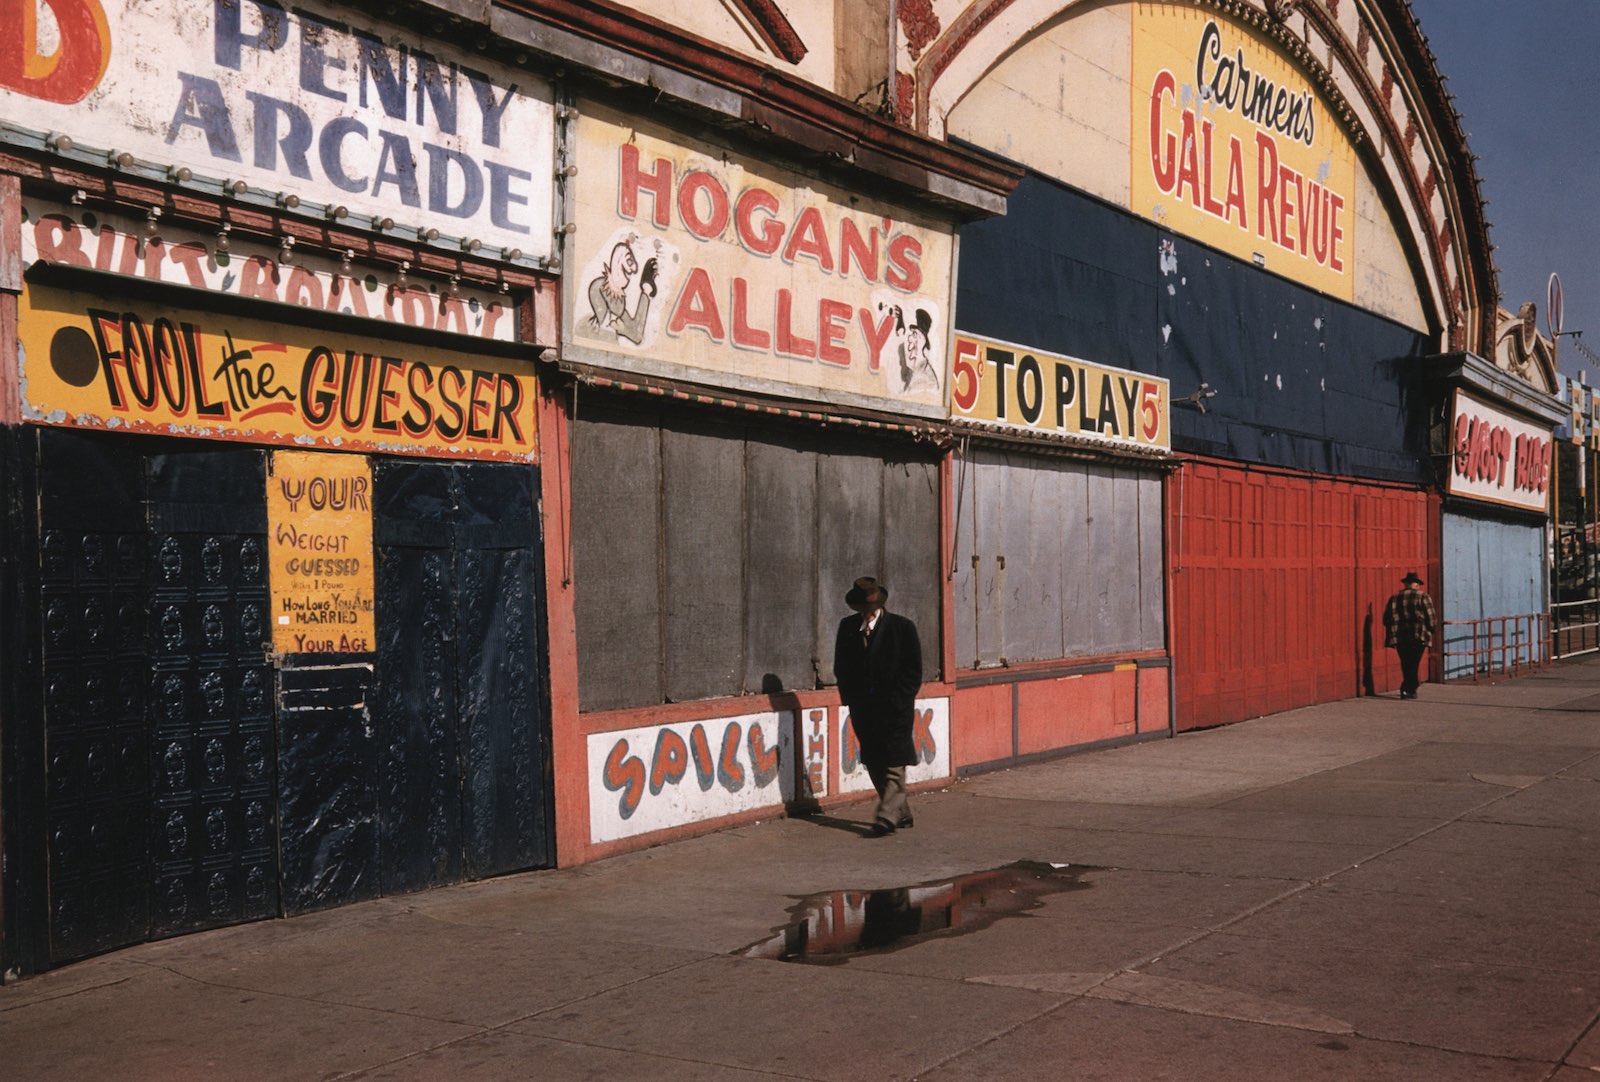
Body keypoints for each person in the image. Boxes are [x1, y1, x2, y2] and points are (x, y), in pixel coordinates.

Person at [833, 576, 923, 836]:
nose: (868, 611)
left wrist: (900, 699)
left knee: (895, 760)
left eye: (870, 606)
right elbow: (841, 667)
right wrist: (851, 698)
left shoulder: (902, 628)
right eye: (863, 607)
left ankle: (886, 817)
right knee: (874, 760)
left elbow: (912, 670)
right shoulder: (848, 627)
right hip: (864, 709)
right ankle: (901, 811)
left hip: (895, 709)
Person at [1383, 571, 1436, 700]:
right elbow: (1431, 617)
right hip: (1418, 635)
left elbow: (1386, 619)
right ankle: (1409, 688)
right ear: (1416, 584)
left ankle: (1408, 688)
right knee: (1414, 662)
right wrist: (1431, 630)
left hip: (1400, 636)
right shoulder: (1423, 596)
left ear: (1405, 584)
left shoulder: (1394, 598)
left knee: (1405, 662)